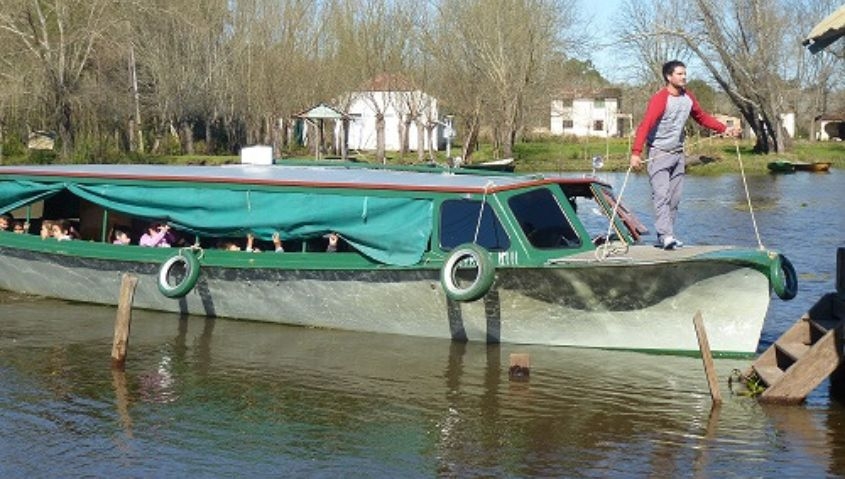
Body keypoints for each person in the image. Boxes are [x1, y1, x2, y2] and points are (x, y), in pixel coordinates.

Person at [630, 60, 739, 250]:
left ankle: (667, 235)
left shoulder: (688, 97)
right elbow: (645, 125)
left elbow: (702, 117)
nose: (684, 77)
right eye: (679, 74)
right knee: (661, 195)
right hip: (658, 153)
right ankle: (665, 235)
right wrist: (636, 153)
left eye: (684, 74)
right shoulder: (660, 99)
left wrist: (724, 128)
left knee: (674, 198)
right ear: (669, 77)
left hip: (678, 153)